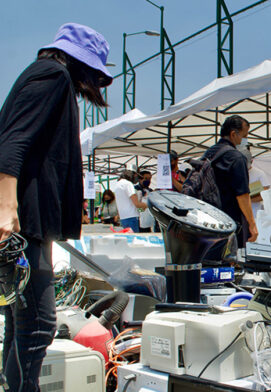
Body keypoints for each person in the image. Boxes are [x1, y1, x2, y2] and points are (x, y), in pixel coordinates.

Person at [0, 23, 112, 391]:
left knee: (22, 319)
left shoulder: (47, 76)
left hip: (31, 221)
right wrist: (6, 206)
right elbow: (14, 140)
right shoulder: (53, 75)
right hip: (24, 220)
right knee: (39, 322)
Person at [203, 115, 258, 247]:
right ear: (233, 134)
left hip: (206, 220)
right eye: (244, 136)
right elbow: (242, 195)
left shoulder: (209, 154)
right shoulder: (236, 158)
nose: (244, 140)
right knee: (229, 262)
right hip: (229, 222)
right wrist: (252, 224)